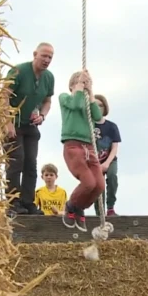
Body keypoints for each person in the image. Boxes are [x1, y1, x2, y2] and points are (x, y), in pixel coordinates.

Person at [4, 43, 55, 216]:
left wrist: (42, 115)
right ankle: (12, 202)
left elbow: (47, 101)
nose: (47, 60)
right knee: (16, 160)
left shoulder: (48, 78)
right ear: (35, 54)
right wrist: (7, 122)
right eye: (44, 56)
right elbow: (3, 95)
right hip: (14, 123)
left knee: (30, 164)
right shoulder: (18, 71)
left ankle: (28, 202)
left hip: (31, 125)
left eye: (50, 57)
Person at [59, 70, 104, 231]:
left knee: (99, 185)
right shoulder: (65, 98)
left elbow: (98, 116)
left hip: (89, 147)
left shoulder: (86, 102)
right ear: (72, 85)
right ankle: (71, 205)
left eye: (85, 83)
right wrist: (78, 87)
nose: (83, 86)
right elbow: (75, 104)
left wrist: (90, 93)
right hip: (73, 146)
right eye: (80, 83)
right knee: (88, 182)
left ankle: (79, 206)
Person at [91, 94, 121, 216]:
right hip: (94, 161)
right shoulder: (88, 126)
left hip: (109, 159)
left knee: (112, 177)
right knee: (98, 186)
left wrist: (107, 163)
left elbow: (114, 147)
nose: (98, 108)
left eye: (100, 105)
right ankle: (100, 212)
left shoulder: (111, 127)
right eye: (95, 105)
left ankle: (110, 207)